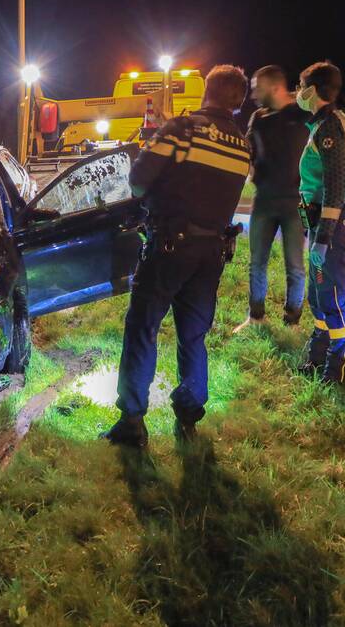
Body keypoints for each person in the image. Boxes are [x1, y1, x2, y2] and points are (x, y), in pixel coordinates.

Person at [103, 65, 251, 447]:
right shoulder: (242, 143)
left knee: (143, 326)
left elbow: (137, 181)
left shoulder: (183, 130)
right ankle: (189, 412)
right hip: (213, 252)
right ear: (238, 102)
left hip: (170, 246)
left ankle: (132, 419)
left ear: (207, 92)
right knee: (193, 334)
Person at [296, 61, 345, 384]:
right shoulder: (329, 122)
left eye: (300, 85)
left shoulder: (329, 128)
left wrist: (324, 237)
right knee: (319, 295)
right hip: (329, 222)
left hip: (331, 225)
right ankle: (318, 355)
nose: (297, 92)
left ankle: (339, 364)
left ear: (312, 90)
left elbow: (335, 187)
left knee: (332, 295)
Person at [234, 65, 310, 332]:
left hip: (294, 202)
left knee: (295, 265)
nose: (253, 93)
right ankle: (255, 317)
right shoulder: (258, 117)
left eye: (258, 87)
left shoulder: (303, 115)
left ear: (275, 87)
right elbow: (246, 150)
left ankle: (292, 322)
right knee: (257, 262)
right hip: (264, 200)